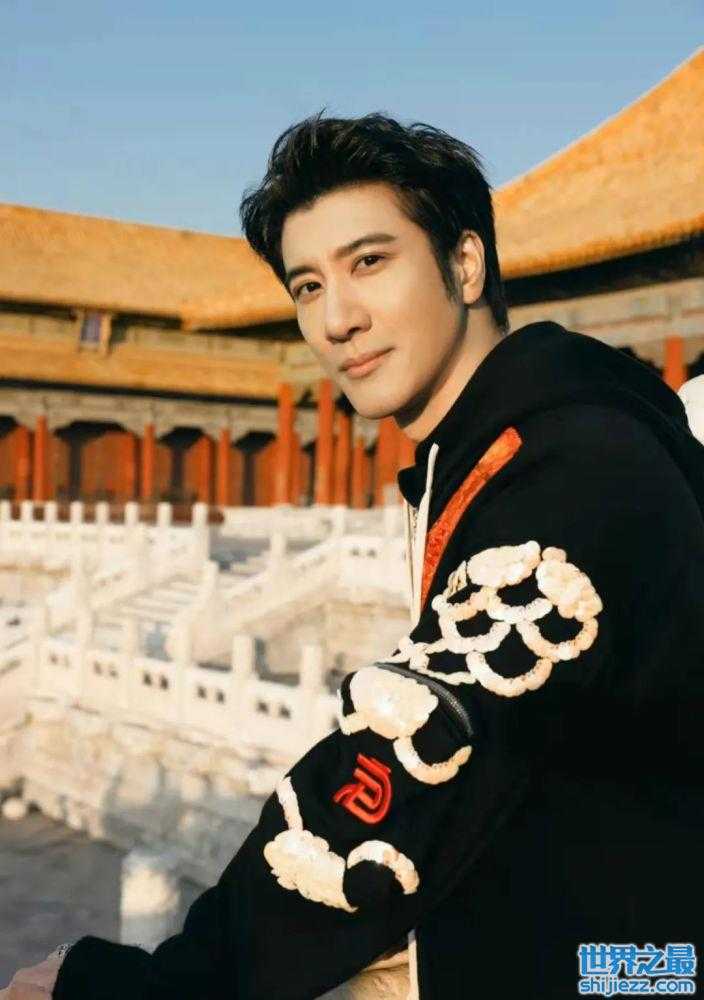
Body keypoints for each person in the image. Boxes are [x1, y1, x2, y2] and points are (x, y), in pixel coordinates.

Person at [5, 111, 703, 1000]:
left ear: (465, 263)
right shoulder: (492, 450)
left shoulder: (579, 469)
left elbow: (406, 767)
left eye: (369, 262)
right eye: (307, 285)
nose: (336, 319)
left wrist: (140, 987)